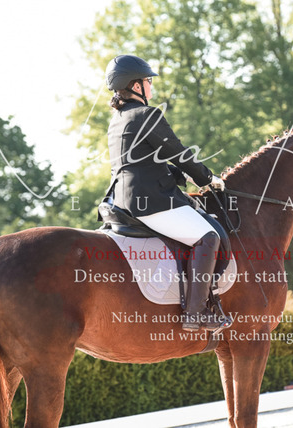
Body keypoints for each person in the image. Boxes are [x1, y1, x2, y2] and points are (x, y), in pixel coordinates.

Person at [104, 54, 225, 332]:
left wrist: (180, 176)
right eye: (148, 81)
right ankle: (196, 312)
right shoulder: (147, 115)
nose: (151, 85)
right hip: (151, 202)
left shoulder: (118, 119)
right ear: (135, 85)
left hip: (120, 200)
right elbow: (179, 153)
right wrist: (207, 178)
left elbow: (138, 164)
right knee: (208, 237)